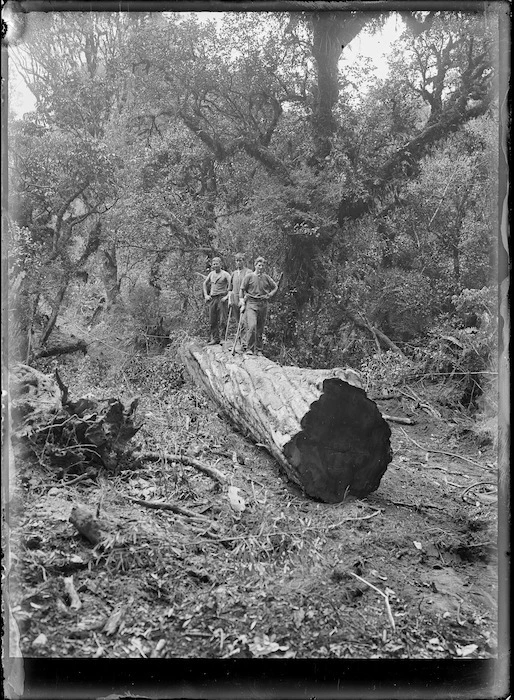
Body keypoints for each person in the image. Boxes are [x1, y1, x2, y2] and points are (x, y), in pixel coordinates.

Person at [239, 257, 278, 356]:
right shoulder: (249, 276)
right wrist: (242, 300)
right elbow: (242, 289)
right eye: (259, 265)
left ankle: (259, 349)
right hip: (251, 303)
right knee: (252, 326)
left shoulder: (266, 277)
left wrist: (270, 295)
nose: (260, 267)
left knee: (260, 327)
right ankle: (249, 348)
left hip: (263, 304)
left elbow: (275, 287)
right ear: (255, 265)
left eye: (262, 265)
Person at [203, 257, 231, 345]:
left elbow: (231, 287)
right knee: (212, 319)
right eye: (214, 264)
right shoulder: (211, 274)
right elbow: (204, 283)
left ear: (220, 264)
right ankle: (215, 338)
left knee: (223, 319)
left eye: (217, 264)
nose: (215, 266)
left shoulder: (225, 274)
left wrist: (227, 297)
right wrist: (206, 295)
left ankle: (223, 338)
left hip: (222, 298)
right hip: (212, 298)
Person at [226, 253, 251, 349]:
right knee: (238, 322)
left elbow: (250, 288)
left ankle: (245, 344)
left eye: (240, 260)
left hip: (245, 299)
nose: (238, 262)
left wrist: (244, 300)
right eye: (237, 260)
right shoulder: (233, 274)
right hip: (235, 300)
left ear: (244, 261)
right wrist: (230, 300)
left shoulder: (248, 272)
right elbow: (230, 289)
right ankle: (240, 342)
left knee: (244, 322)